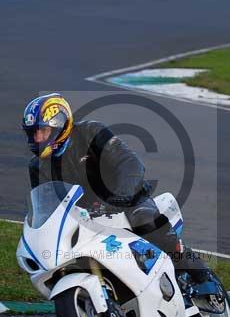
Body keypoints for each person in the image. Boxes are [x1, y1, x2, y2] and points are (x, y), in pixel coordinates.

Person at [22, 92, 209, 283]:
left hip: (126, 200)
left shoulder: (91, 132)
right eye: (33, 133)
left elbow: (129, 163)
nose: (37, 139)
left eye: (42, 131)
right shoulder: (37, 166)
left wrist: (121, 195)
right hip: (85, 217)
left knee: (147, 221)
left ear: (59, 125)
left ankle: (202, 277)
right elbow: (46, 203)